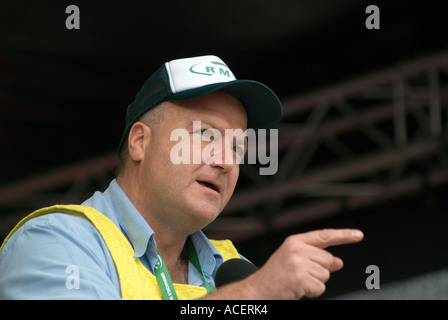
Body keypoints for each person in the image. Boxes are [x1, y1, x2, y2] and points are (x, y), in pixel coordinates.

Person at [0, 55, 363, 300]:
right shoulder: (55, 240)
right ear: (140, 142)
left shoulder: (231, 268)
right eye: (206, 135)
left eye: (237, 149)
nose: (225, 162)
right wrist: (251, 294)